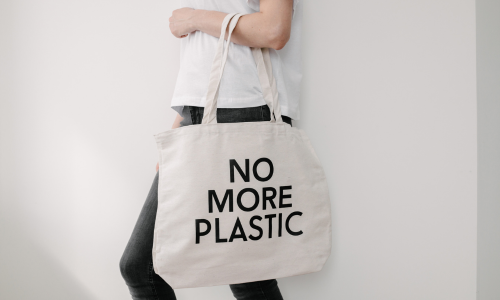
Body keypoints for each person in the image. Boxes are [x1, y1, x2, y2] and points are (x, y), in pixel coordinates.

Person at [119, 0, 302, 299]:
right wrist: (181, 124)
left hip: (244, 113)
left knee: (146, 266)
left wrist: (193, 18)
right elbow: (205, 57)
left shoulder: (196, 18)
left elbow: (274, 29)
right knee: (144, 266)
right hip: (202, 114)